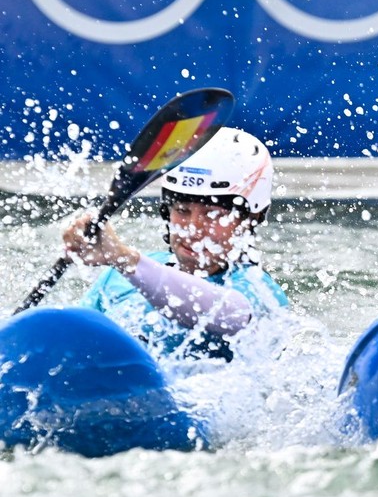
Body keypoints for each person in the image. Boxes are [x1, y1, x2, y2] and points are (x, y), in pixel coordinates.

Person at [62, 127, 289, 361]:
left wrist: (126, 260)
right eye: (182, 210)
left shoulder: (260, 291)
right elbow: (71, 341)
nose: (193, 228)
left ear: (251, 218)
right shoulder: (117, 277)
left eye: (212, 214)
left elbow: (228, 312)